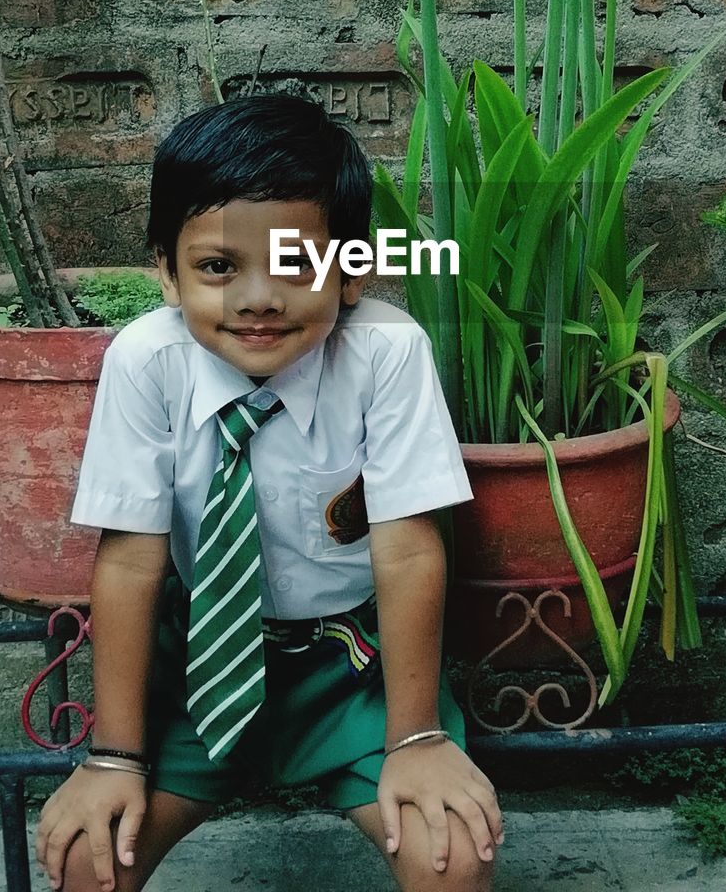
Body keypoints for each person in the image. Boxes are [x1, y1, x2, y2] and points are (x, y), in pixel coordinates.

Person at [36, 94, 503, 892]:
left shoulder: (388, 353)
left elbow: (406, 547)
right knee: (89, 861)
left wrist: (416, 738)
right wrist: (113, 756)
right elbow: (128, 561)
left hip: (349, 671)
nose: (259, 297)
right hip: (200, 666)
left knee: (449, 858)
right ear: (168, 273)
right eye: (219, 267)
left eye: (298, 263)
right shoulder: (146, 361)